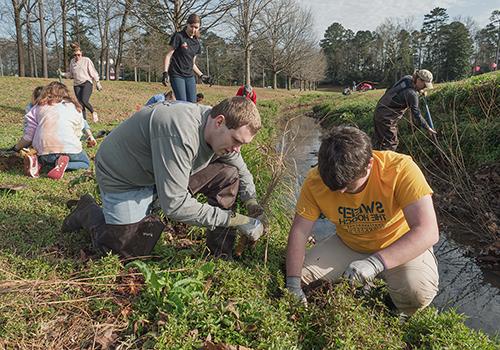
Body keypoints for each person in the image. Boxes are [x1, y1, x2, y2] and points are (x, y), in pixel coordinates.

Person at [62, 97, 266, 259]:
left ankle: (220, 252)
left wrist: (252, 204)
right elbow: (175, 206)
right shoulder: (180, 132)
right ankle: (87, 211)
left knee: (228, 175)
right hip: (124, 179)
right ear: (219, 121)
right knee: (125, 252)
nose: (236, 149)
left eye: (242, 145)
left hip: (160, 173)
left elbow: (240, 169)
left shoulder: (219, 131)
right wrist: (236, 220)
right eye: (236, 141)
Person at [286, 126, 439, 316]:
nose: (340, 193)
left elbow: (428, 230)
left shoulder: (400, 169)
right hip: (350, 244)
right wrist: (293, 285)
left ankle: (391, 304)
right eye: (333, 186)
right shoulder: (314, 181)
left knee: (417, 293)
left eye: (347, 186)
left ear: (369, 164)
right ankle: (355, 287)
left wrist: (375, 263)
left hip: (398, 243)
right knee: (300, 276)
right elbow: (300, 232)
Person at [12, 82, 95, 179]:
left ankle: (38, 163)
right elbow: (79, 129)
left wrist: (16, 148)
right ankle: (62, 165)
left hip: (45, 152)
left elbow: (29, 136)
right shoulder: (75, 107)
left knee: (43, 157)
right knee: (85, 163)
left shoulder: (37, 108)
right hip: (70, 148)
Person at [373, 69, 437, 151]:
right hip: (386, 118)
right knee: (391, 144)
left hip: (379, 110)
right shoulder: (412, 94)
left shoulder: (407, 78)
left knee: (379, 142)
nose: (425, 87)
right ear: (418, 80)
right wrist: (428, 128)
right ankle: (387, 163)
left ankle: (374, 161)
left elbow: (404, 87)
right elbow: (416, 114)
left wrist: (420, 90)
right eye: (424, 85)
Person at [162, 14, 211, 102]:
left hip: (189, 76)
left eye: (196, 27)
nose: (193, 29)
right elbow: (168, 55)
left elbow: (192, 64)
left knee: (192, 103)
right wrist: (165, 73)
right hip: (177, 75)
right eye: (191, 26)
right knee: (182, 102)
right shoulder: (178, 36)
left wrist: (201, 75)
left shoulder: (196, 43)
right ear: (187, 24)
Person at [59, 43, 102, 122]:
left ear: (81, 54)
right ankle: (84, 121)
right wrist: (62, 74)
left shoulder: (86, 60)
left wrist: (97, 82)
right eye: (75, 55)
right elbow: (71, 74)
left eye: (79, 55)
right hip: (77, 84)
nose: (77, 57)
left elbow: (93, 72)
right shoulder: (72, 62)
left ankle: (93, 112)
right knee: (80, 104)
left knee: (84, 100)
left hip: (86, 82)